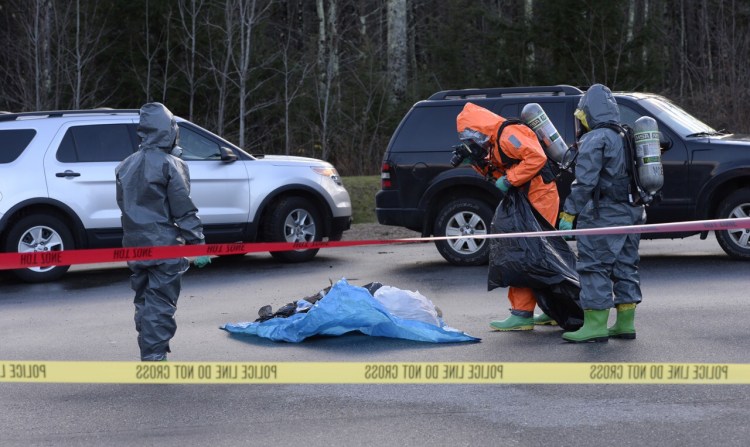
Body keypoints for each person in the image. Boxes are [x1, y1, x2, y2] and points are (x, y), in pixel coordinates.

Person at [116, 102, 211, 361]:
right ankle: (154, 358)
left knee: (144, 302)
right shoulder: (171, 164)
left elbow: (124, 206)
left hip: (135, 245)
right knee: (160, 305)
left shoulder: (125, 165)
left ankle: (149, 352)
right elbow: (183, 208)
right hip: (164, 245)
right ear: (169, 130)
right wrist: (198, 244)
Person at [456, 102, 559, 331]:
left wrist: (510, 180)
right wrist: (475, 162)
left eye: (470, 134)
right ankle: (553, 308)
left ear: (479, 127)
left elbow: (535, 158)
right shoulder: (494, 143)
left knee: (525, 253)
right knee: (536, 253)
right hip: (529, 196)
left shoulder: (508, 134)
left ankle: (523, 314)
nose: (471, 139)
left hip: (540, 195)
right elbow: (498, 174)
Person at [557, 84, 646, 343]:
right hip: (632, 212)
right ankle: (625, 324)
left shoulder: (595, 138)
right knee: (626, 265)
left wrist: (569, 213)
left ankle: (595, 326)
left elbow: (585, 183)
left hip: (604, 213)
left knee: (594, 266)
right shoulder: (625, 134)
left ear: (589, 112)